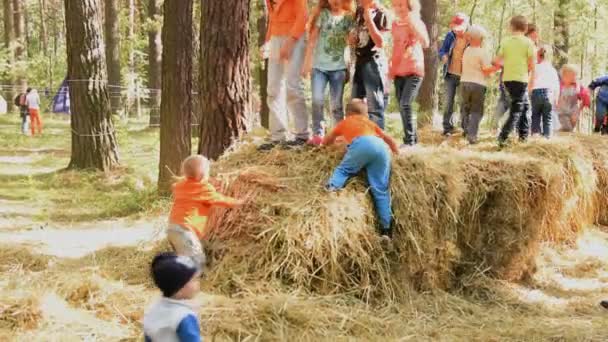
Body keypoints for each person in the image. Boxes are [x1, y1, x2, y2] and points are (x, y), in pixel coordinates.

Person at [323, 99, 399, 238]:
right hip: (381, 148)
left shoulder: (346, 122)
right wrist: (396, 152)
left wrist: (323, 147)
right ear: (365, 114)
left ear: (349, 113)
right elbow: (389, 139)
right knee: (381, 190)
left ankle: (332, 187)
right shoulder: (369, 123)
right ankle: (386, 229)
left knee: (344, 170)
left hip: (362, 144)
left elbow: (329, 138)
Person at [169, 155, 242, 265]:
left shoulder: (180, 186)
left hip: (172, 227)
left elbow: (186, 187)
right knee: (197, 258)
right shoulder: (203, 189)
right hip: (187, 230)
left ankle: (180, 273)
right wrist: (239, 202)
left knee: (184, 256)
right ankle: (193, 277)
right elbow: (221, 200)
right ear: (203, 175)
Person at [302, 0, 354, 145]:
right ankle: (318, 134)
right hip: (319, 67)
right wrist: (307, 62)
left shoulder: (348, 17)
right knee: (317, 100)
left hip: (339, 68)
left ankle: (338, 135)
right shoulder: (323, 15)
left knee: (336, 104)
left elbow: (351, 40)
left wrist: (352, 38)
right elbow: (312, 40)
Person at [259, 0, 309, 150]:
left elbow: (303, 16)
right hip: (275, 38)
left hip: (294, 37)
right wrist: (267, 42)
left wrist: (291, 40)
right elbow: (272, 19)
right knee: (273, 88)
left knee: (292, 86)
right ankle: (277, 136)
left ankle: (302, 135)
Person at [388, 0, 429, 146]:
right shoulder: (394, 25)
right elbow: (395, 47)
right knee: (401, 105)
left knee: (405, 103)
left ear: (410, 7)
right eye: (396, 5)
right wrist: (391, 68)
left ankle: (409, 141)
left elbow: (426, 43)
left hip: (414, 69)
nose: (399, 8)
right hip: (399, 69)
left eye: (402, 5)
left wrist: (413, 24)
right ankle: (413, 139)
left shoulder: (417, 22)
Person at [493, 16, 536, 147]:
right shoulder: (528, 43)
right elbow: (531, 64)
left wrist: (509, 64)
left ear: (511, 27)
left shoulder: (505, 41)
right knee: (516, 109)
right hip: (521, 79)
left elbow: (496, 61)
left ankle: (523, 136)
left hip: (507, 79)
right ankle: (503, 137)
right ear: (526, 28)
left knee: (524, 105)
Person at [143, 252, 202, 342]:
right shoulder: (184, 316)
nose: (198, 282)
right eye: (194, 279)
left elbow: (148, 337)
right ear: (180, 288)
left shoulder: (152, 310)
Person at [349, 0, 390, 129]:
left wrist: (369, 19)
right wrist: (352, 39)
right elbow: (356, 37)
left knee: (374, 106)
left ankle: (378, 141)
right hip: (359, 62)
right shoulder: (358, 12)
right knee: (356, 103)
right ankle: (356, 139)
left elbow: (381, 42)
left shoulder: (382, 14)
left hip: (373, 62)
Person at [459, 25, 498, 144]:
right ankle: (472, 135)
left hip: (464, 82)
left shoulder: (466, 50)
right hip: (478, 84)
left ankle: (466, 130)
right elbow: (486, 70)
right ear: (479, 38)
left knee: (466, 108)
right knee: (476, 110)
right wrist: (497, 67)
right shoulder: (482, 52)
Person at [438, 13, 469, 136]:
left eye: (459, 27)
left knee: (464, 103)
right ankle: (447, 128)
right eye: (455, 27)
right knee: (448, 102)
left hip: (465, 75)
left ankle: (465, 128)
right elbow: (442, 50)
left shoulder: (471, 37)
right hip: (450, 74)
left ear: (466, 25)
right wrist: (443, 56)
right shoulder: (450, 35)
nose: (456, 30)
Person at [530, 45, 560, 138]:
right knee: (548, 118)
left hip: (536, 93)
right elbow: (556, 85)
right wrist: (556, 99)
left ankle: (535, 135)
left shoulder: (536, 68)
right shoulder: (553, 70)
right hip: (549, 94)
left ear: (538, 56)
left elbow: (532, 80)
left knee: (535, 115)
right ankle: (547, 136)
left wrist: (529, 91)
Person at [556, 64, 591, 132]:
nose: (574, 78)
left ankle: (565, 135)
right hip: (562, 112)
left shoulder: (577, 86)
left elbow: (585, 95)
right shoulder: (559, 86)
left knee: (571, 127)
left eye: (575, 75)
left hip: (573, 111)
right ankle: (562, 132)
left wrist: (584, 105)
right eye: (572, 76)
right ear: (564, 76)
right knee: (567, 128)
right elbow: (554, 96)